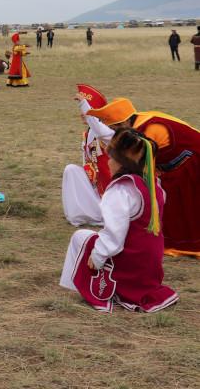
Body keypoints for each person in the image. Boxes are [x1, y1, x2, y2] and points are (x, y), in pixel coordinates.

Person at [59, 128, 178, 313]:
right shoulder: (154, 185)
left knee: (80, 237)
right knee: (94, 237)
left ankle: (77, 286)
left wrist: (98, 256)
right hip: (150, 264)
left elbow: (115, 235)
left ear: (124, 163)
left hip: (130, 264)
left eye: (113, 158)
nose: (109, 162)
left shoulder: (121, 191)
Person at [87, 97, 200, 257]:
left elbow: (143, 171)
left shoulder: (147, 131)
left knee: (184, 204)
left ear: (124, 123)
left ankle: (186, 244)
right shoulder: (138, 122)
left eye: (115, 129)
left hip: (192, 162)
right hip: (173, 163)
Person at [62, 84, 113, 226]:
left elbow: (98, 128)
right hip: (95, 182)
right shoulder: (87, 133)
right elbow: (87, 161)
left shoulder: (107, 132)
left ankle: (103, 213)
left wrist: (84, 104)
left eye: (86, 111)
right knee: (71, 170)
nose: (81, 113)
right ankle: (79, 212)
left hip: (110, 185)